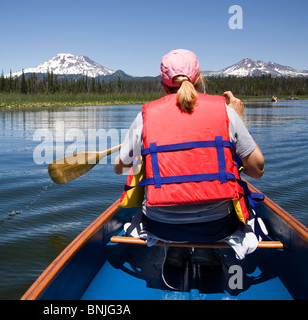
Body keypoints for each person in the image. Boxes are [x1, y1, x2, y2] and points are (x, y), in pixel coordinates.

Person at [114, 49, 265, 267]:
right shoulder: (226, 112)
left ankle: (176, 251)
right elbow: (257, 170)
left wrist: (140, 149)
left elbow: (121, 166)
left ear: (163, 85)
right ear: (199, 80)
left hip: (159, 225)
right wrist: (239, 118)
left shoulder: (145, 116)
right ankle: (205, 252)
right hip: (216, 225)